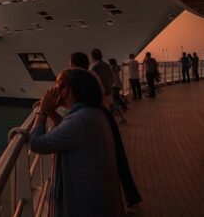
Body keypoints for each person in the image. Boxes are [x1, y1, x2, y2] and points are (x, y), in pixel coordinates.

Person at [20, 69, 127, 216]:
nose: (53, 90)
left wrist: (43, 111)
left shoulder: (79, 120)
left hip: (85, 206)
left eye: (57, 86)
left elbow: (37, 144)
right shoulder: (92, 113)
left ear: (65, 90)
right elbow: (68, 133)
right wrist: (52, 112)